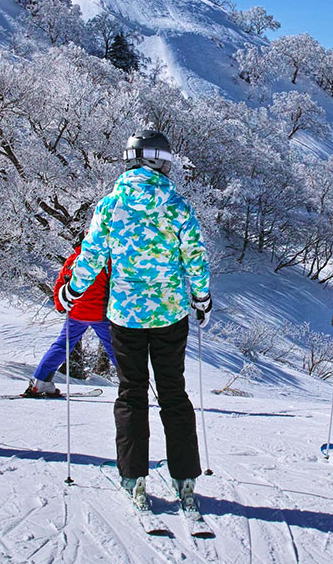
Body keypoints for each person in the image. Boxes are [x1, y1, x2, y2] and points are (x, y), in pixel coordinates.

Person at [58, 129, 212, 515]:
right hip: (169, 314)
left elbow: (91, 254)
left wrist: (72, 293)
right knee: (173, 393)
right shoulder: (177, 205)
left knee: (131, 394)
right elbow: (195, 255)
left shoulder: (110, 204)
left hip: (125, 315)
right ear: (162, 161)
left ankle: (133, 477)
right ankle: (185, 478)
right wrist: (202, 297)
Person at [25, 239, 116, 397]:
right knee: (116, 348)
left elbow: (60, 283)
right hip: (100, 313)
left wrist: (61, 306)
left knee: (62, 346)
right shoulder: (106, 259)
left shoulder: (72, 259)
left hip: (76, 312)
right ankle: (132, 384)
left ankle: (41, 381)